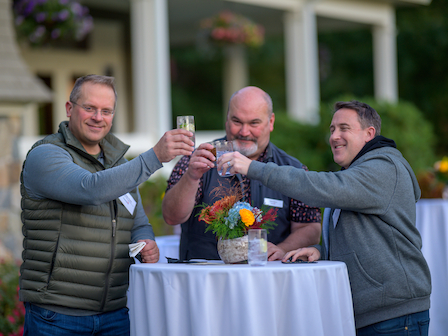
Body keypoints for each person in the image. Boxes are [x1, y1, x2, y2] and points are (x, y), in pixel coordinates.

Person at [220, 100, 431, 335]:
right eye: (332, 129)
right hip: (373, 314)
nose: (334, 136)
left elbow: (320, 187)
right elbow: (366, 236)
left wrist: (253, 168)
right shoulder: (357, 173)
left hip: (395, 317)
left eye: (344, 128)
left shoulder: (384, 167)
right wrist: (321, 251)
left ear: (369, 133)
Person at [19, 74, 194, 336]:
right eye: (89, 108)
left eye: (106, 110)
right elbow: (90, 188)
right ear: (69, 109)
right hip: (56, 316)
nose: (97, 117)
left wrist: (146, 240)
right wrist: (155, 156)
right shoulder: (45, 155)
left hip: (114, 314)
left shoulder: (120, 165)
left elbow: (138, 222)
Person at [162, 86, 321, 261]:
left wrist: (282, 249)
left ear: (271, 122)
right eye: (237, 122)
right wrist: (192, 176)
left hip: (270, 278)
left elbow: (309, 226)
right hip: (206, 280)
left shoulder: (293, 168)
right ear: (226, 120)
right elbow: (171, 217)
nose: (244, 132)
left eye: (254, 123)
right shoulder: (198, 159)